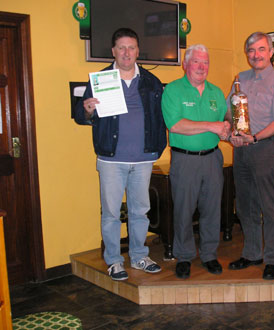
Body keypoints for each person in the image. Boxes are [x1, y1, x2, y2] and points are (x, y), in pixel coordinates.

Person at [74, 28, 167, 280]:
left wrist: (158, 147)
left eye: (131, 47)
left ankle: (139, 257)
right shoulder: (100, 80)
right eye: (122, 47)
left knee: (140, 211)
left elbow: (161, 117)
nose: (127, 52)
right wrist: (88, 110)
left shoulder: (151, 81)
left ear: (138, 51)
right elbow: (81, 116)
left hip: (143, 159)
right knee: (111, 214)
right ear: (113, 51)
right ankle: (114, 261)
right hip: (111, 160)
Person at [227, 32, 274, 280]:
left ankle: (273, 259)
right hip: (241, 150)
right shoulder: (239, 79)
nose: (256, 55)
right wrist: (232, 132)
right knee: (245, 205)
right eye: (252, 50)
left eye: (261, 49)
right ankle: (252, 253)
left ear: (271, 52)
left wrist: (254, 138)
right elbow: (228, 111)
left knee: (269, 206)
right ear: (247, 53)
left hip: (266, 147)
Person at [161, 44, 230, 279]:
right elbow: (176, 125)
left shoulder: (216, 93)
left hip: (212, 158)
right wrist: (212, 126)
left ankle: (209, 254)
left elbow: (225, 122)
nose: (202, 67)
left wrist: (232, 131)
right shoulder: (172, 90)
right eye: (196, 62)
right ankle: (184, 256)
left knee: (212, 209)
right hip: (185, 160)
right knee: (183, 210)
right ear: (185, 64)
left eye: (206, 62)